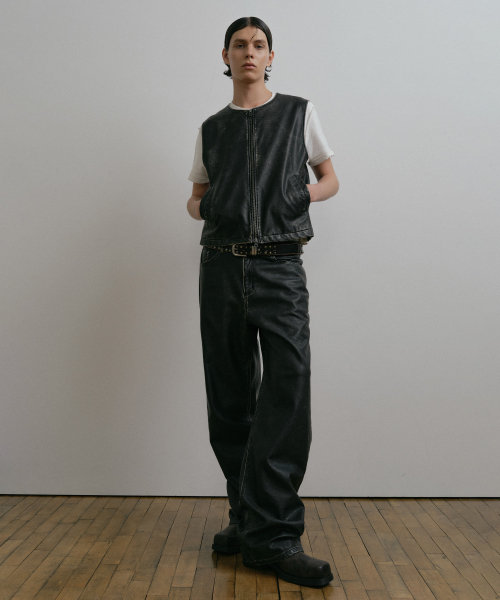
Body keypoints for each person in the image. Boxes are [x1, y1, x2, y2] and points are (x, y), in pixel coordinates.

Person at [186, 16, 339, 589]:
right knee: (229, 398)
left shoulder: (298, 113)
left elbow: (330, 178)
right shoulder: (212, 128)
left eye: (258, 45)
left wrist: (300, 192)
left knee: (286, 391)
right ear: (225, 56)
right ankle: (246, 516)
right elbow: (195, 198)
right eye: (239, 45)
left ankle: (274, 537)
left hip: (280, 266)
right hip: (221, 267)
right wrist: (209, 205)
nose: (249, 52)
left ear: (271, 57)